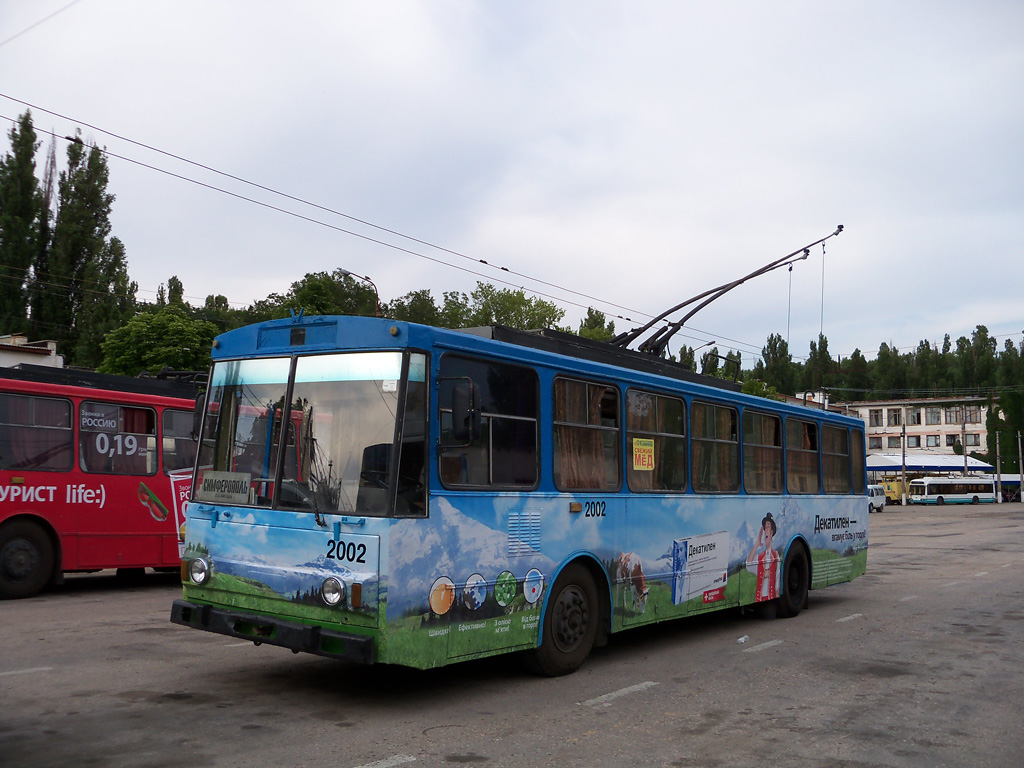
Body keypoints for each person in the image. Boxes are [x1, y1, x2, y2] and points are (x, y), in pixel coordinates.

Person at [746, 512, 780, 602]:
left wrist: (777, 596)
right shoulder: (760, 557)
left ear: (772, 532)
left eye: (768, 527)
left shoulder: (775, 556)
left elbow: (777, 579)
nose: (765, 530)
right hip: (760, 598)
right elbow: (748, 565)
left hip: (770, 597)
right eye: (765, 527)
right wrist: (757, 544)